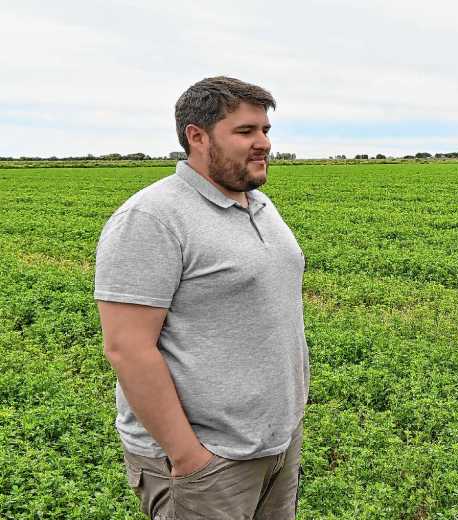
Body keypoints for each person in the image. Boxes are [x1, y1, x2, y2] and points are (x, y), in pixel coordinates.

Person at [95, 76, 308, 519]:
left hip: (276, 444)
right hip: (208, 461)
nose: (263, 143)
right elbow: (128, 349)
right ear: (197, 136)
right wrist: (190, 457)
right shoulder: (152, 217)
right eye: (246, 131)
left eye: (266, 130)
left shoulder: (260, 206)